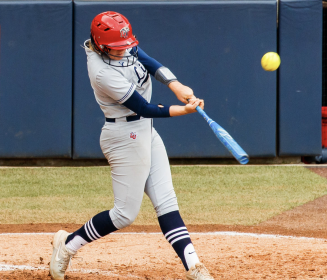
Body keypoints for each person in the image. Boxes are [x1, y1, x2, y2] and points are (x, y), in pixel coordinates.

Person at [48, 11, 214, 280]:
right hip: (123, 137)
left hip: (145, 132)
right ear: (100, 45)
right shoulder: (100, 70)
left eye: (124, 46)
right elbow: (143, 107)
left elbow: (149, 61)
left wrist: (175, 84)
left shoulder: (120, 43)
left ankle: (195, 267)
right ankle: (67, 246)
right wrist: (182, 110)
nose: (122, 52)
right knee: (125, 214)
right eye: (115, 49)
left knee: (167, 202)